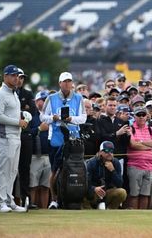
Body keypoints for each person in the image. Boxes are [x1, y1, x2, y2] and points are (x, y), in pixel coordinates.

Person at [41, 72, 87, 209]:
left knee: (73, 169)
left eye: (69, 81)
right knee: (55, 171)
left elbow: (83, 117)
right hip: (56, 138)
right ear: (60, 83)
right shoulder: (51, 98)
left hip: (73, 139)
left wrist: (71, 119)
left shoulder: (78, 98)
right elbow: (42, 116)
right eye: (64, 81)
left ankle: (70, 197)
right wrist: (53, 119)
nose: (67, 84)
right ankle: (54, 200)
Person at [0, 65, 28, 213]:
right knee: (3, 170)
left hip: (15, 136)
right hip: (4, 137)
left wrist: (22, 118)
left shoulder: (14, 93)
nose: (16, 78)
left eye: (17, 76)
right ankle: (0, 203)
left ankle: (9, 200)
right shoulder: (0, 94)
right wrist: (18, 122)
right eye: (13, 75)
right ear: (5, 76)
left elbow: (11, 114)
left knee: (12, 171)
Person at [127, 106, 152, 209]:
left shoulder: (151, 129)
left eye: (143, 115)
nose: (141, 117)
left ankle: (143, 216)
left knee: (145, 194)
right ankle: (134, 217)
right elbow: (133, 144)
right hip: (134, 166)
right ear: (134, 116)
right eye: (138, 115)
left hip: (149, 166)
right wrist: (149, 146)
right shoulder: (131, 128)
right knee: (134, 194)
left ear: (147, 116)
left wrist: (141, 143)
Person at [16, 68, 37, 208]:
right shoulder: (5, 93)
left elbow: (33, 111)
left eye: (22, 77)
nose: (20, 80)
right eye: (18, 77)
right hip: (10, 134)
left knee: (25, 167)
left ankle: (25, 198)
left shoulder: (27, 93)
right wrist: (24, 108)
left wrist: (21, 111)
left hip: (25, 134)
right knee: (9, 168)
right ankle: (7, 198)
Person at [85, 141, 127, 209]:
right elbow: (85, 183)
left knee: (122, 192)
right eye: (107, 151)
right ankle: (88, 209)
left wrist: (112, 170)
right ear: (100, 152)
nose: (110, 153)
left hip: (107, 192)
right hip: (93, 192)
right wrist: (94, 188)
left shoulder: (115, 162)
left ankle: (110, 211)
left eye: (111, 151)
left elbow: (120, 184)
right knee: (82, 192)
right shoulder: (91, 163)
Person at [29, 90, 51, 209]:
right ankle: (32, 206)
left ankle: (44, 210)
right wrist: (38, 129)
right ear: (37, 102)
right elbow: (26, 134)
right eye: (43, 100)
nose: (46, 103)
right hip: (35, 155)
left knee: (45, 186)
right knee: (33, 185)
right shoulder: (31, 117)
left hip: (49, 155)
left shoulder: (52, 117)